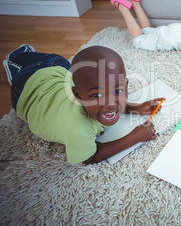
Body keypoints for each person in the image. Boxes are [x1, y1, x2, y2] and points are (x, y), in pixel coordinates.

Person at [3, 44, 164, 164]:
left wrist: (137, 108)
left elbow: (114, 105)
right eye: (97, 95)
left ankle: (25, 56)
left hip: (57, 70)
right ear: (77, 95)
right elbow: (88, 157)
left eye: (117, 91)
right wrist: (134, 138)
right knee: (23, 60)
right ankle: (14, 60)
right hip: (25, 87)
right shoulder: (76, 128)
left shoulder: (95, 99)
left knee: (60, 62)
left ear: (126, 86)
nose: (110, 104)